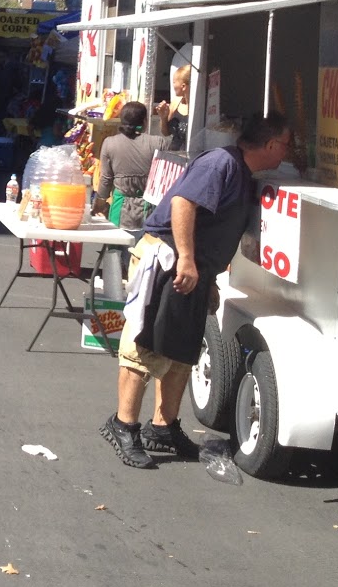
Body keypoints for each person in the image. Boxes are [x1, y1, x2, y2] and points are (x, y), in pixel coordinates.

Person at [102, 112, 292, 469]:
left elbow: (212, 228)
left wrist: (208, 277)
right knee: (144, 347)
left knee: (181, 353)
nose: (287, 152)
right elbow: (183, 203)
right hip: (167, 259)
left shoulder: (241, 172)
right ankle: (123, 425)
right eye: (285, 144)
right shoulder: (221, 163)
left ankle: (163, 428)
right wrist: (187, 260)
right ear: (269, 144)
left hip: (195, 269)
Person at [94, 102, 170, 231]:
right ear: (145, 121)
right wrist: (163, 119)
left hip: (120, 211)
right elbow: (175, 145)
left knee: (117, 243)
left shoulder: (109, 143)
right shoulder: (158, 143)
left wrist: (99, 204)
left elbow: (106, 179)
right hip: (149, 211)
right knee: (144, 243)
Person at [154, 64, 193, 151]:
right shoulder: (175, 103)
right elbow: (166, 133)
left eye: (174, 82)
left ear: (183, 86)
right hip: (174, 152)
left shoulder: (198, 107)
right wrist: (163, 118)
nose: (173, 85)